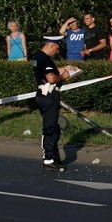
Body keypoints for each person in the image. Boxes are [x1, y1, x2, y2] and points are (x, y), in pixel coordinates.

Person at [33, 36, 79, 171]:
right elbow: (51, 78)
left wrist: (65, 67)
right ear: (51, 45)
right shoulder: (45, 58)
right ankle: (49, 159)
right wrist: (64, 75)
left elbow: (48, 70)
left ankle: (53, 157)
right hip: (49, 96)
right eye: (57, 48)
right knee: (50, 128)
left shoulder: (38, 56)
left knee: (53, 127)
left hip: (43, 95)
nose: (57, 52)